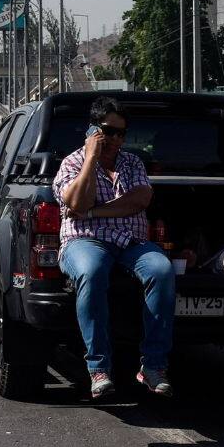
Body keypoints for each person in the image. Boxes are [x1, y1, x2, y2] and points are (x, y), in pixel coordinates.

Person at [52, 96, 175, 399]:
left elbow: (140, 200)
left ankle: (153, 366)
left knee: (162, 270)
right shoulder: (72, 163)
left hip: (131, 242)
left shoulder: (132, 162)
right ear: (93, 130)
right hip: (85, 240)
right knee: (92, 272)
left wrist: (92, 212)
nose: (116, 140)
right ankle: (99, 368)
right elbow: (77, 201)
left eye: (122, 133)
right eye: (109, 131)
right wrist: (91, 159)